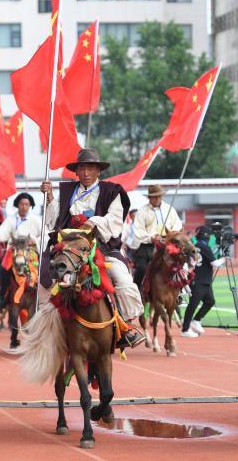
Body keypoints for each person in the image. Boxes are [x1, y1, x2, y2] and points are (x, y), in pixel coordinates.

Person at [40, 148, 145, 348]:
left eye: (90, 168)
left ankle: (126, 326)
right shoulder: (67, 191)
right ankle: (46, 329)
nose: (86, 173)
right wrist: (50, 197)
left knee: (122, 277)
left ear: (98, 171)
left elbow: (115, 220)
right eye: (82, 168)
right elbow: (53, 221)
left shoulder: (112, 191)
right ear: (76, 172)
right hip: (69, 247)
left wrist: (93, 222)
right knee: (44, 279)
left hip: (100, 246)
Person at [0, 192, 42, 310]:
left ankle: (40, 297)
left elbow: (45, 235)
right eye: (22, 204)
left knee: (43, 268)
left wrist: (35, 241)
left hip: (30, 251)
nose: (24, 207)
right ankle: (3, 296)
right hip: (13, 251)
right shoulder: (10, 220)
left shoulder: (36, 220)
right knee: (3, 269)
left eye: (27, 204)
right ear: (17, 205)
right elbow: (1, 235)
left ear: (30, 206)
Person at [132, 184, 184, 286]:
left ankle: (182, 289)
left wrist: (171, 234)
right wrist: (152, 238)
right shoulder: (142, 212)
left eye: (159, 196)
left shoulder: (169, 209)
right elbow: (138, 231)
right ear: (149, 197)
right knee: (142, 268)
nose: (158, 199)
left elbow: (177, 224)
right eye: (155, 197)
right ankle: (137, 290)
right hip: (148, 245)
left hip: (168, 244)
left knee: (181, 264)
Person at [181, 226, 225, 337]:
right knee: (193, 305)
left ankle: (196, 320)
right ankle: (185, 329)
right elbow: (215, 263)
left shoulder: (196, 245)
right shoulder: (204, 247)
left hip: (203, 280)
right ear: (207, 236)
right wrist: (224, 259)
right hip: (199, 280)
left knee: (210, 301)